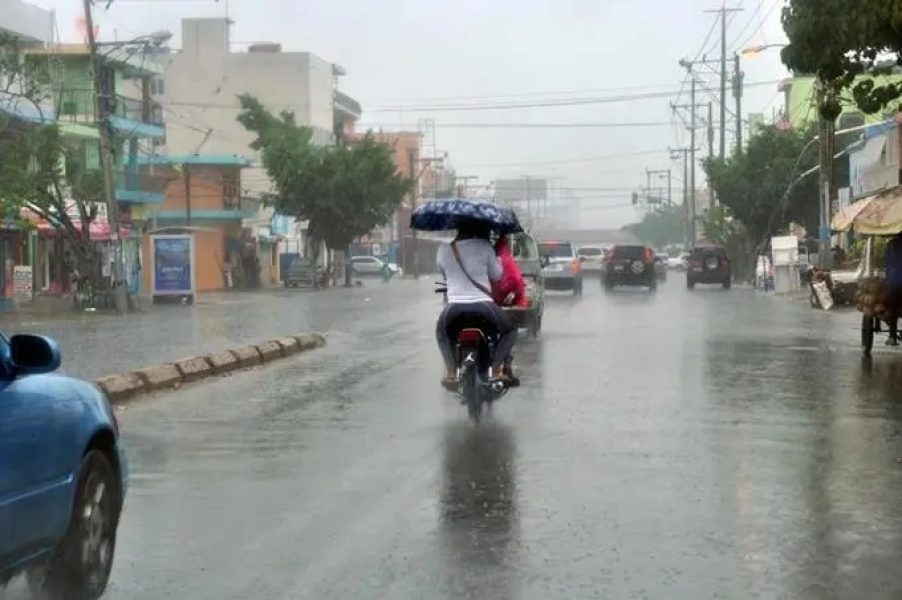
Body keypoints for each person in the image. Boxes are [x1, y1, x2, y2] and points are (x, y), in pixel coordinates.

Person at [436, 217, 517, 387]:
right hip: (484, 307)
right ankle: (496, 370)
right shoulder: (485, 247)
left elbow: (444, 273)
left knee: (442, 333)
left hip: (453, 310)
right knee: (509, 330)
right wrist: (499, 260)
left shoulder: (444, 249)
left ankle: (451, 372)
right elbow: (497, 276)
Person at [492, 234, 528, 308]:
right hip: (514, 301)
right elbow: (517, 279)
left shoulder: (498, 256)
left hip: (499, 299)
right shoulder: (505, 256)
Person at [885, 232, 902, 345]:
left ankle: (892, 336)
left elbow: (887, 262)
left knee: (892, 308)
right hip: (895, 280)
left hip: (894, 281)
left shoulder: (891, 245)